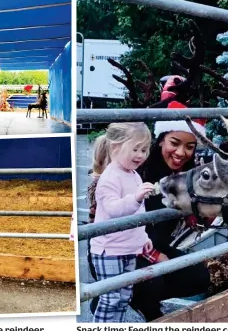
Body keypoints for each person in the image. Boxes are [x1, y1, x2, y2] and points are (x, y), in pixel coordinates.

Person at [86, 101, 212, 322]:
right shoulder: (137, 169)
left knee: (199, 276)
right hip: (117, 247)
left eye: (190, 147)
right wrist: (154, 255)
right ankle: (131, 302)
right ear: (161, 139)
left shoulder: (187, 175)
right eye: (175, 143)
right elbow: (121, 215)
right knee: (152, 279)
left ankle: (129, 296)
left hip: (146, 242)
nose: (181, 152)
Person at [89, 122, 156, 323]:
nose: (140, 155)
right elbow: (114, 210)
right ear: (115, 147)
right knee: (111, 298)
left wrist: (142, 238)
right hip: (108, 249)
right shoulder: (110, 176)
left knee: (124, 297)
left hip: (128, 248)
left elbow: (139, 214)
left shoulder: (134, 175)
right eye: (135, 149)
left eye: (144, 150)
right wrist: (135, 198)